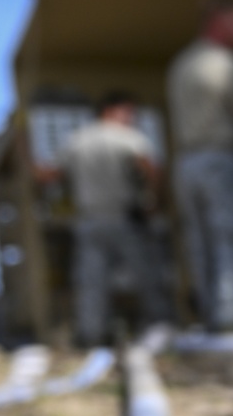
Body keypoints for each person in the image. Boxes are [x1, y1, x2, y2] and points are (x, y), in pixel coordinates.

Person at [168, 1, 233, 332]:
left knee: (199, 242)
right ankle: (229, 317)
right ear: (218, 23)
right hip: (221, 158)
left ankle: (208, 315)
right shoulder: (227, 65)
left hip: (186, 163)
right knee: (228, 237)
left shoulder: (182, 64)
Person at [52, 93, 167, 344]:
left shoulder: (77, 140)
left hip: (89, 221)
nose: (131, 119)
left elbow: (52, 175)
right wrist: (153, 202)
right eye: (128, 112)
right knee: (146, 274)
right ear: (111, 111)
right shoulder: (127, 137)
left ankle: (91, 335)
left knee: (92, 282)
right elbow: (151, 169)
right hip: (123, 217)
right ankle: (160, 327)